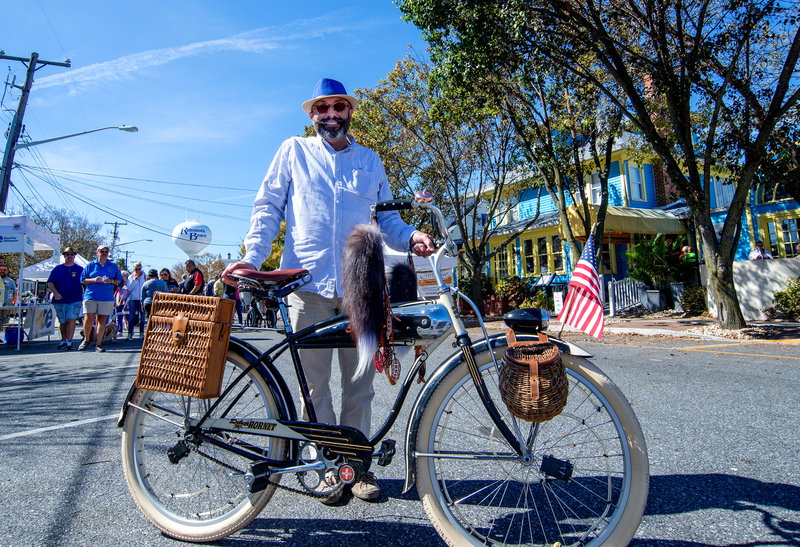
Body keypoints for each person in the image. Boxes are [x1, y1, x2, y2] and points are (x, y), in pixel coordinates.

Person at [222, 78, 435, 504]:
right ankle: (324, 467)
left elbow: (388, 220)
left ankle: (356, 466)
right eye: (322, 108)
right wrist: (253, 257)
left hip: (362, 288)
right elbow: (268, 207)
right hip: (306, 287)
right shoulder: (293, 151)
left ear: (350, 111)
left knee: (360, 383)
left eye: (339, 107)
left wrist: (412, 236)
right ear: (312, 115)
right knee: (314, 386)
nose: (331, 115)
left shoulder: (370, 161)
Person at [79, 245, 122, 352]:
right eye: (102, 251)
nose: (104, 253)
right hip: (91, 296)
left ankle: (98, 343)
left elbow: (119, 280)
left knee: (102, 320)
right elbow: (82, 280)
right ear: (97, 253)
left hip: (106, 297)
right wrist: (93, 280)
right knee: (88, 318)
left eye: (106, 251)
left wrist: (111, 281)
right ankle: (86, 339)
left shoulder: (113, 266)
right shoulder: (90, 265)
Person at [46, 247, 84, 350]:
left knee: (70, 319)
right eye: (67, 254)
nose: (69, 256)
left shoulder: (80, 269)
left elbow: (84, 282)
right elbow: (50, 282)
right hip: (60, 300)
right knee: (62, 321)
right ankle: (63, 339)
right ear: (64, 256)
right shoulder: (57, 269)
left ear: (74, 256)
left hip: (75, 299)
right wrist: (55, 293)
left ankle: (69, 341)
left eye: (71, 254)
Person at [126, 262, 146, 340]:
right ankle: (130, 333)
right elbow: (129, 288)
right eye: (136, 269)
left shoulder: (144, 276)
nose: (137, 271)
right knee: (131, 316)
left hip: (142, 299)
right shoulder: (130, 277)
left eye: (139, 269)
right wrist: (134, 280)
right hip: (133, 299)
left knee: (142, 317)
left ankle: (141, 333)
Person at [114, 271, 130, 336]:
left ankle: (130, 331)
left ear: (126, 277)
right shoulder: (118, 285)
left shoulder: (129, 284)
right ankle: (119, 331)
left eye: (122, 276)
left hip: (127, 302)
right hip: (118, 302)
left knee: (128, 317)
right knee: (118, 317)